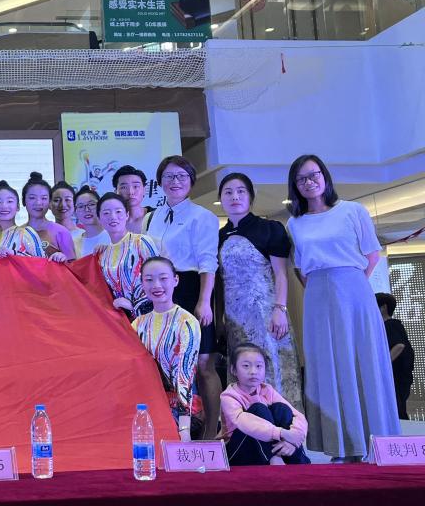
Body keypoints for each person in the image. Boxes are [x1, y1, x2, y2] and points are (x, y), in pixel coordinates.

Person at [286, 154, 400, 462]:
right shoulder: (295, 223)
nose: (309, 182)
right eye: (301, 179)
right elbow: (301, 268)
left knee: (362, 360)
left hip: (353, 289)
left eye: (314, 174)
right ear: (295, 186)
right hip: (317, 296)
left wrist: (351, 284)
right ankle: (342, 446)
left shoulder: (352, 210)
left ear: (325, 176)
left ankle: (377, 442)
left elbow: (372, 256)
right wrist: (322, 288)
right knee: (327, 366)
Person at [145, 155, 221, 440]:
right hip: (161, 291)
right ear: (160, 182)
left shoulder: (203, 216)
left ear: (191, 181)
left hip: (191, 287)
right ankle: (175, 431)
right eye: (169, 176)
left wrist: (204, 301)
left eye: (181, 176)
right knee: (166, 363)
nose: (175, 182)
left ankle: (211, 433)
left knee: (202, 363)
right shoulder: (152, 217)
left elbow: (208, 262)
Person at [218, 173, 301, 408]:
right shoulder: (219, 236)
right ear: (221, 199)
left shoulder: (269, 228)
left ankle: (282, 424)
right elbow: (220, 282)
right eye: (228, 192)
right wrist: (220, 318)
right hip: (235, 318)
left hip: (266, 313)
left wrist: (280, 309)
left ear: (251, 197)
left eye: (241, 191)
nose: (235, 197)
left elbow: (281, 274)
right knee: (241, 371)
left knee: (272, 368)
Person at [135, 257, 200, 440]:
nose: (156, 285)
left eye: (163, 278)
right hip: (146, 405)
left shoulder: (187, 322)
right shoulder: (137, 324)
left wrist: (184, 429)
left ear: (175, 280)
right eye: (149, 280)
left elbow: (185, 375)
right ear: (142, 283)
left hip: (180, 409)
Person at [221, 343, 310, 466]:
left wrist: (292, 441)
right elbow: (245, 422)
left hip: (267, 448)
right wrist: (281, 433)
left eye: (259, 366)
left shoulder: (267, 390)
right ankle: (274, 459)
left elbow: (298, 416)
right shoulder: (229, 396)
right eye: (246, 366)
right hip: (237, 452)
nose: (253, 371)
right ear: (233, 370)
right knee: (258, 409)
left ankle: (299, 462)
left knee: (281, 409)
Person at [96, 193, 160, 319]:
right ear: (99, 218)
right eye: (106, 213)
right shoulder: (103, 254)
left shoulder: (141, 242)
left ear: (127, 215)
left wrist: (133, 306)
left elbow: (160, 279)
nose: (113, 217)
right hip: (120, 320)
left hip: (149, 317)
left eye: (118, 211)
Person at [377, 292, 414, 420]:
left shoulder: (390, 325)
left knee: (396, 411)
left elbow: (399, 345)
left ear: (383, 307)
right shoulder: (393, 325)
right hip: (399, 377)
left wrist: (383, 365)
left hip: (396, 377)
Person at [22, 173, 74, 262]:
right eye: (32, 198)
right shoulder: (17, 233)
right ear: (23, 201)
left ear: (49, 202)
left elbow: (73, 266)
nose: (38, 203)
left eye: (44, 198)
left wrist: (63, 258)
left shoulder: (61, 232)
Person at [0, 180, 44, 258]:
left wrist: (15, 254)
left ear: (18, 207)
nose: (4, 206)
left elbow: (42, 261)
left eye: (10, 201)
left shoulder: (26, 233)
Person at [72, 187, 110, 258]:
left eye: (91, 204)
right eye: (80, 206)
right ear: (75, 212)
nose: (86, 209)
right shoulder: (73, 244)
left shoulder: (113, 235)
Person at [114, 165, 150, 234]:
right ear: (116, 192)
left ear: (144, 189)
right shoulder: (110, 221)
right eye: (124, 187)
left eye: (136, 186)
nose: (131, 192)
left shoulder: (158, 216)